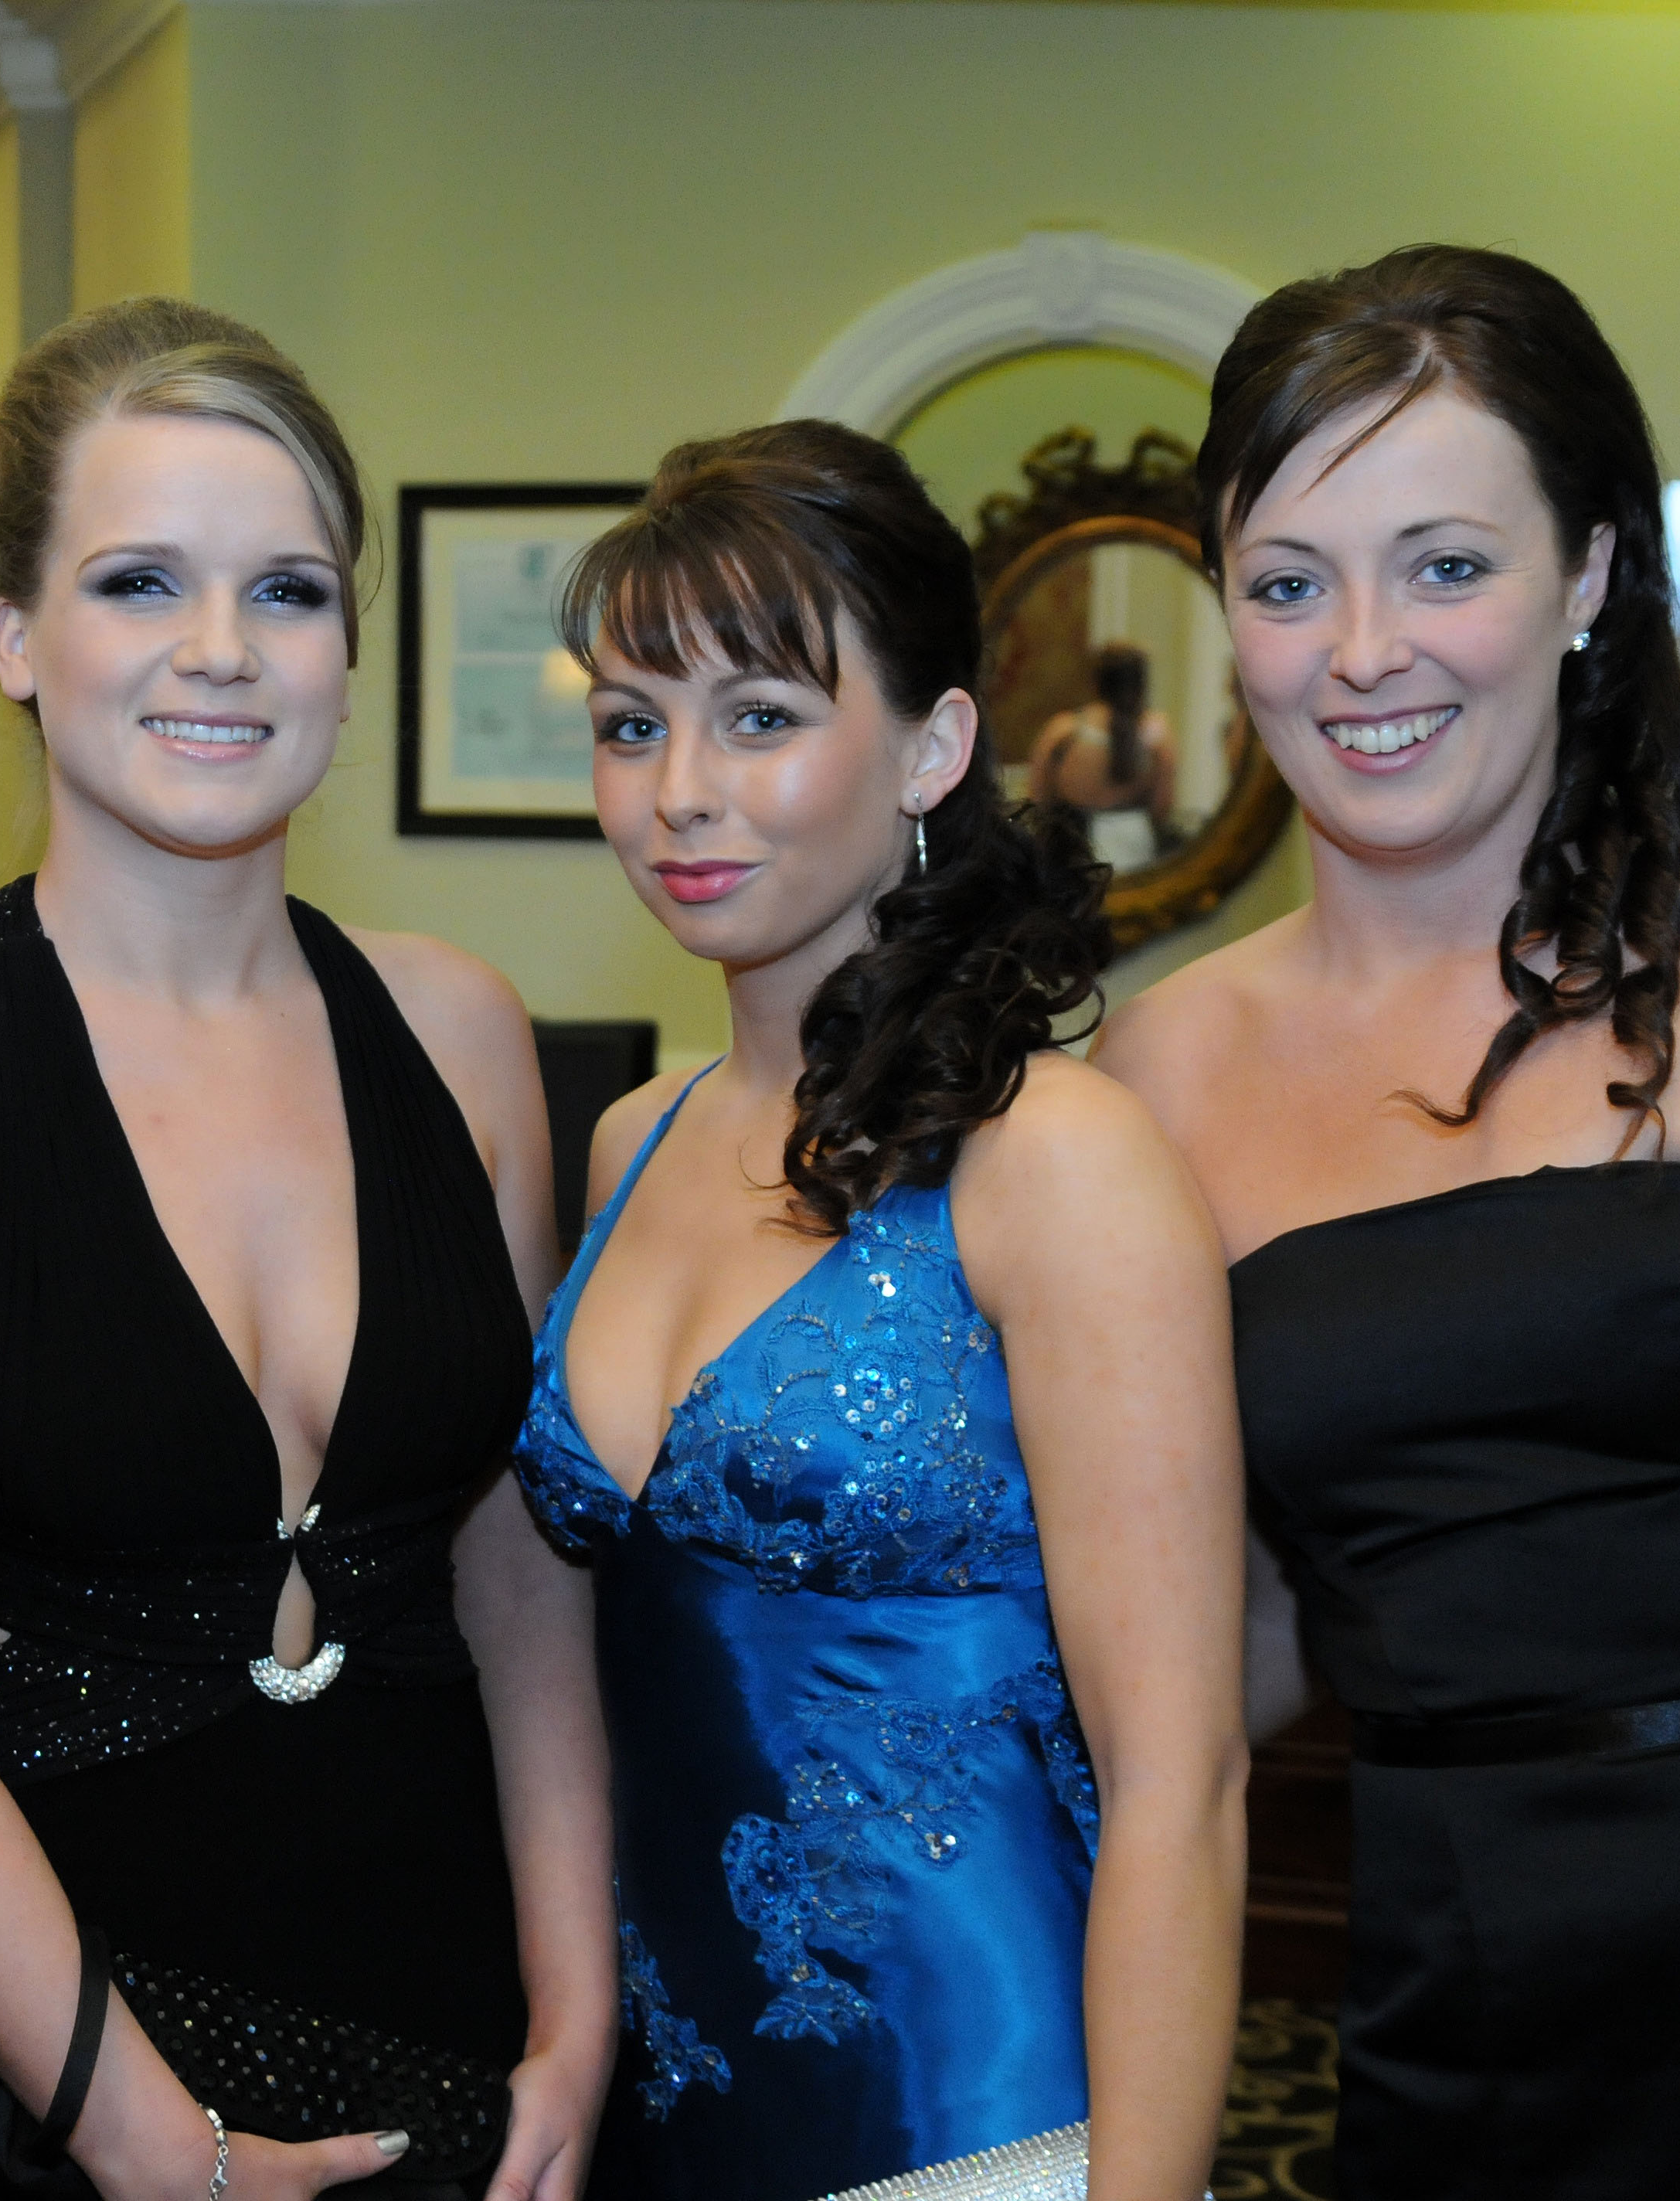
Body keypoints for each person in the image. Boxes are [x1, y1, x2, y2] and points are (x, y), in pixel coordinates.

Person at [1096, 244, 1680, 2196]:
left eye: (1442, 564)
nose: (1361, 651)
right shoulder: (1159, 1074)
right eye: (1287, 583)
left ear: (1587, 573)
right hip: (1476, 1980)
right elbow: (1229, 1631)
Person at [0, 297, 616, 2201]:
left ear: (346, 652)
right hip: (46, 2045)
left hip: (443, 1991)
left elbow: (519, 1576)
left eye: (287, 591)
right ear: (12, 634)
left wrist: (575, 1997)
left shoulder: (460, 1031)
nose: (222, 647)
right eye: (139, 581)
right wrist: (153, 2144)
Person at [514, 420, 1245, 2201]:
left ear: (931, 745)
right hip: (674, 2115)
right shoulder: (628, 1140)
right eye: (631, 723)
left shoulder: (1051, 1159)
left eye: (758, 715)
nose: (679, 790)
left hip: (981, 2123)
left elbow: (1181, 1778)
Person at [1028, 643, 1177, 873]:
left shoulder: (1064, 731)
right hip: (1135, 845)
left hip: (1075, 847)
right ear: (1141, 684)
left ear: (1096, 682)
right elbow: (1162, 807)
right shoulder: (1157, 734)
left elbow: (1039, 799)